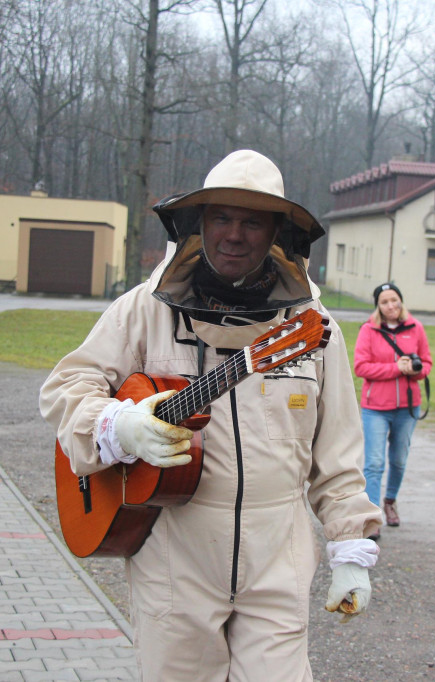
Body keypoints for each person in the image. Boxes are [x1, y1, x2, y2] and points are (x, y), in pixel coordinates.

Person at [41, 149, 381, 681]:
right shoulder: (143, 309)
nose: (234, 234)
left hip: (278, 554)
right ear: (199, 224)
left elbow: (337, 453)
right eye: (222, 217)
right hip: (174, 554)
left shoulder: (311, 327)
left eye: (252, 221)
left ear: (276, 231)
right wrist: (120, 426)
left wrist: (350, 550)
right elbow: (65, 388)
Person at [353, 282, 432, 540]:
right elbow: (361, 367)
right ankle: (373, 517)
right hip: (375, 408)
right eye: (385, 302)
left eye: (394, 300)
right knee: (374, 463)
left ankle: (390, 501)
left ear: (401, 301)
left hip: (407, 407)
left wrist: (417, 369)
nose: (391, 306)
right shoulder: (369, 330)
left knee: (399, 459)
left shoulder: (416, 328)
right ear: (378, 305)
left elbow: (427, 363)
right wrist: (396, 368)